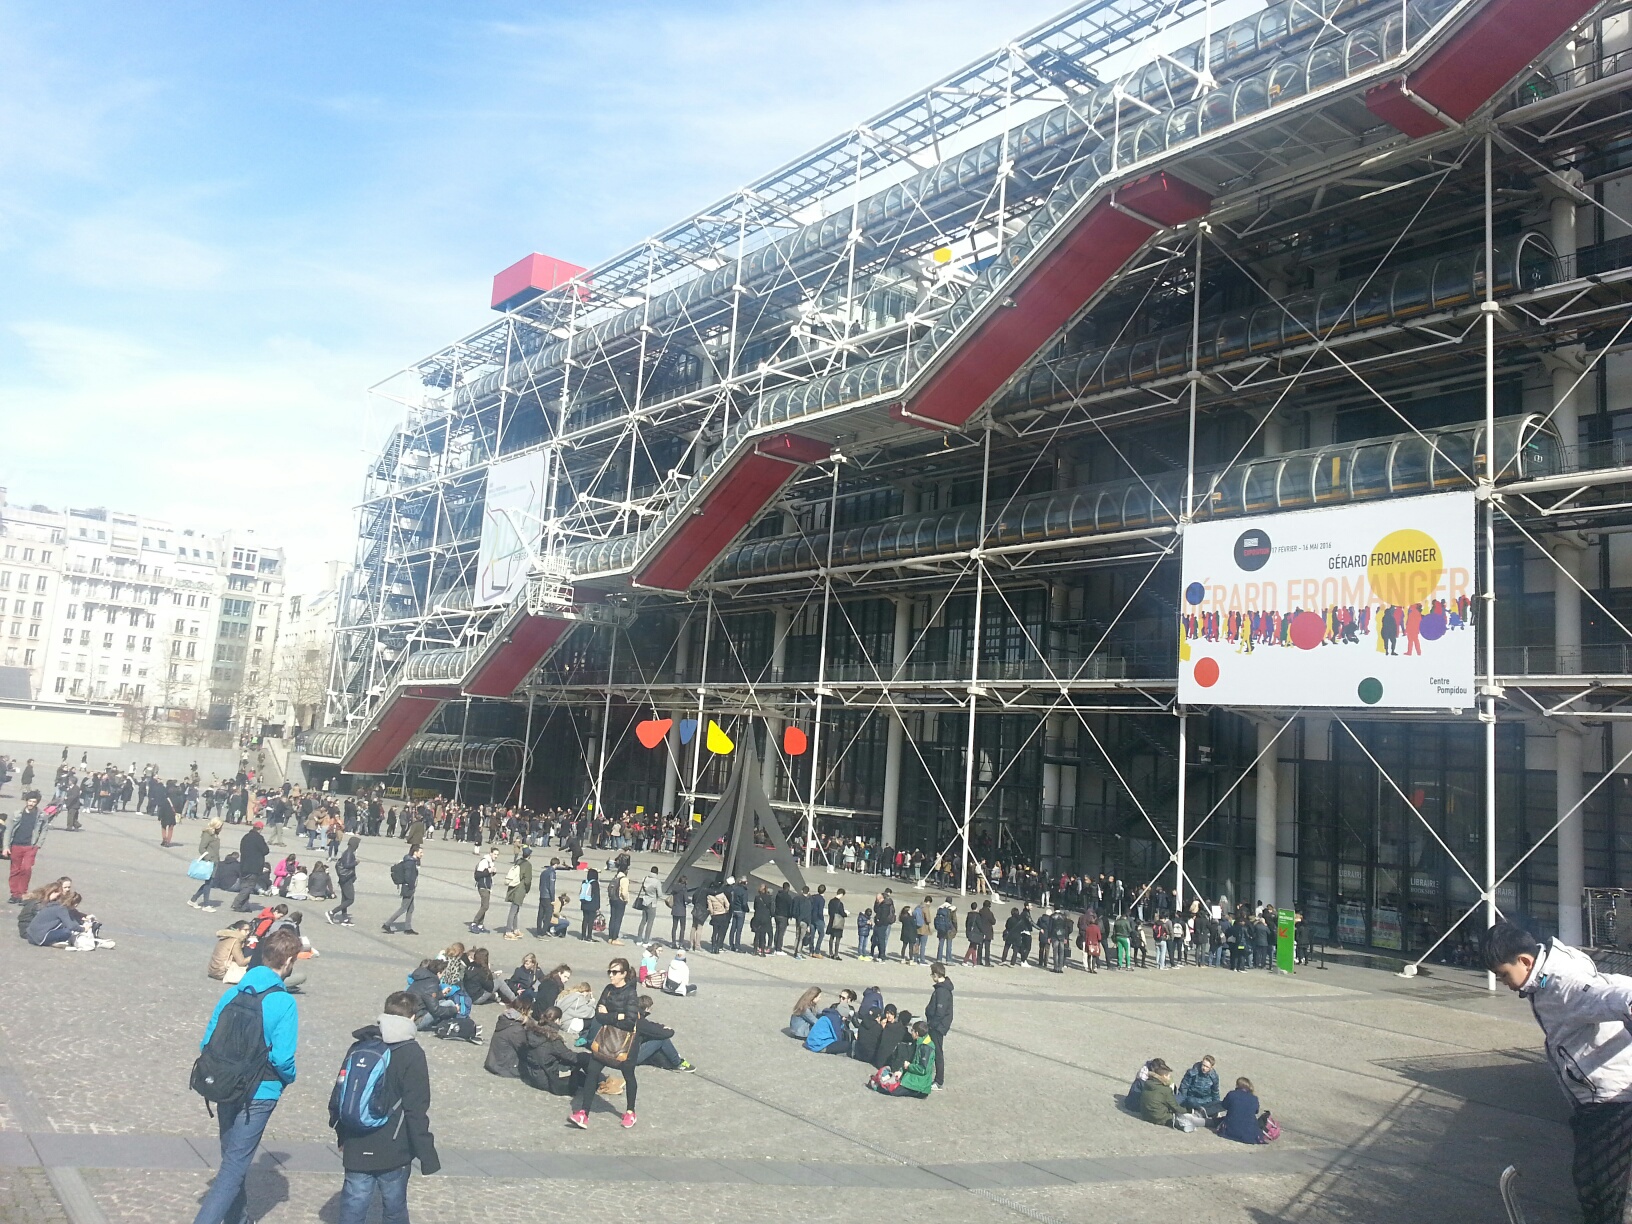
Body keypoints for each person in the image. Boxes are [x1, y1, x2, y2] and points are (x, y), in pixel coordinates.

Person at [1485, 920, 1632, 1221]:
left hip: (1608, 1099)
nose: (1504, 983)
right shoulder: (1557, 959)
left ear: (1525, 961)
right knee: (1598, 1178)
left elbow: (1614, 996)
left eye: (1504, 975)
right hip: (1597, 1093)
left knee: (1597, 1188)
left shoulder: (1562, 985)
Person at [191, 928, 300, 1224]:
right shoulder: (284, 1002)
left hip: (226, 1084)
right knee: (232, 1169)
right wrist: (288, 1078)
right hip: (260, 1092)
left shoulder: (232, 993)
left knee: (232, 1162)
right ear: (288, 961)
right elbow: (282, 1058)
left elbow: (206, 1042)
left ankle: (239, 1219)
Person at [332, 990, 440, 1224]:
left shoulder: (361, 1046)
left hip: (356, 1142)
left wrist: (342, 1134)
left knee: (353, 1206)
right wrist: (427, 1154)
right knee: (394, 1209)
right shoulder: (412, 1053)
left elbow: (340, 1093)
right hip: (394, 1147)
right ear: (413, 1017)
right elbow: (416, 1109)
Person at [567, 957, 640, 1130]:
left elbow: (630, 1022)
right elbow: (598, 1015)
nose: (611, 975)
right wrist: (617, 1016)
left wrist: (611, 1016)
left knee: (628, 1075)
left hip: (626, 1043)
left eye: (615, 972)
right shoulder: (608, 990)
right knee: (592, 1071)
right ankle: (583, 1113)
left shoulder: (631, 993)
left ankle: (630, 1111)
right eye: (610, 971)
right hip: (606, 1038)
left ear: (623, 974)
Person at [633, 995, 695, 1071]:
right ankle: (677, 1062)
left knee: (657, 1053)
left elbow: (650, 1025)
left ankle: (667, 1060)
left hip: (622, 1052)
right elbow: (664, 1033)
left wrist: (661, 1026)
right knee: (662, 1039)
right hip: (632, 1057)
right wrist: (668, 1029)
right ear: (646, 1009)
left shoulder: (632, 1016)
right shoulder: (640, 1023)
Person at [6, 796, 46, 903]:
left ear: (37, 803)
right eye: (30, 801)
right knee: (15, 870)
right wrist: (6, 847)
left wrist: (38, 844)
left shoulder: (41, 816)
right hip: (16, 845)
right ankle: (15, 894)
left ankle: (23, 893)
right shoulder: (17, 813)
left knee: (26, 869)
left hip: (30, 846)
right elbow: (8, 831)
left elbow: (44, 830)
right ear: (26, 801)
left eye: (34, 801)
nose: (31, 803)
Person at [924, 962, 953, 1089]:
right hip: (937, 1025)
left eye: (932, 974)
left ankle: (939, 1080)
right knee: (933, 1050)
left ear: (936, 975)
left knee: (937, 1052)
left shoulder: (942, 991)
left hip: (937, 1027)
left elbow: (940, 1012)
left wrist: (931, 1024)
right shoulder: (943, 989)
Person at [381, 847, 421, 935]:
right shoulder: (410, 863)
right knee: (403, 908)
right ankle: (387, 924)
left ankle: (408, 928)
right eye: (420, 852)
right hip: (408, 888)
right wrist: (411, 886)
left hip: (409, 888)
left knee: (411, 908)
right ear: (415, 852)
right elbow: (408, 876)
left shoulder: (412, 861)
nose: (422, 854)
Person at [1136, 1059, 1186, 1127]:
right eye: (1168, 1075)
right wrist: (1188, 1111)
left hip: (1145, 1115)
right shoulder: (1165, 1090)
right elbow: (1175, 1107)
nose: (1170, 1077)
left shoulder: (1148, 1083)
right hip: (1159, 1118)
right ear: (1164, 1076)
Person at [233, 823, 269, 912]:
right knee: (249, 886)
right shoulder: (259, 838)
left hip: (244, 865)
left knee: (244, 885)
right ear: (260, 829)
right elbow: (265, 850)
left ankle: (244, 906)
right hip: (254, 866)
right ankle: (237, 903)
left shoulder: (245, 837)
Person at [1218, 1076, 1264, 1143]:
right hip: (1248, 1132)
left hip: (1230, 1129)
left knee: (1220, 1120)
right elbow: (1256, 1111)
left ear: (1238, 1085)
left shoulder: (1232, 1094)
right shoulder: (1254, 1098)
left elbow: (1224, 1105)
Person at [502, 848, 533, 940]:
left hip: (513, 887)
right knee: (513, 910)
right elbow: (528, 880)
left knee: (516, 909)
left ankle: (515, 929)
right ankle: (508, 931)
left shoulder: (518, 861)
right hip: (520, 889)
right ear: (529, 856)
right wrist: (527, 889)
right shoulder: (528, 865)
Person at [328, 836, 359, 926]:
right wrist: (356, 863)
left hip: (345, 879)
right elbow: (347, 865)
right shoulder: (349, 853)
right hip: (346, 879)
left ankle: (344, 918)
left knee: (344, 899)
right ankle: (332, 912)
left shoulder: (348, 852)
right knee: (350, 899)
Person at [469, 847, 494, 933]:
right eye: (495, 854)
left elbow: (488, 874)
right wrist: (488, 871)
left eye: (497, 855)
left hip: (487, 886)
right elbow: (479, 874)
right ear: (490, 853)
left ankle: (480, 925)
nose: (496, 856)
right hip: (483, 886)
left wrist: (493, 872)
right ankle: (474, 923)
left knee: (484, 905)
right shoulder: (484, 861)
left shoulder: (490, 862)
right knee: (485, 906)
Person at [635, 865, 662, 945]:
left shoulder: (645, 878)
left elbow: (643, 888)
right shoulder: (657, 882)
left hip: (645, 900)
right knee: (650, 922)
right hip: (652, 902)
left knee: (643, 921)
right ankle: (646, 941)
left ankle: (639, 939)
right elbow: (660, 894)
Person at [579, 867, 601, 942]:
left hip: (584, 903)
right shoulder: (595, 883)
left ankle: (583, 936)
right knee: (591, 921)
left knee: (585, 920)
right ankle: (589, 936)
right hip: (592, 905)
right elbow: (597, 896)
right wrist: (598, 906)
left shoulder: (584, 882)